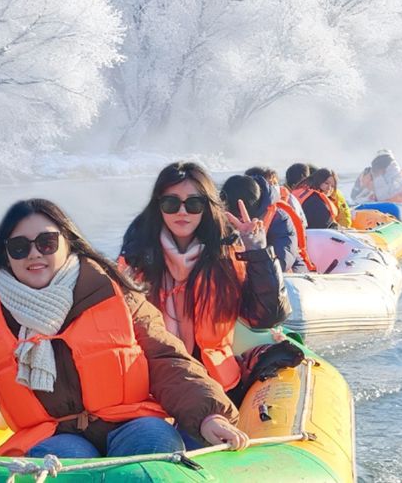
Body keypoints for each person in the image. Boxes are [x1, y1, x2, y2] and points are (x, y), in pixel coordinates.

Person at [0, 199, 250, 460]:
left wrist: (208, 415)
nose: (34, 254)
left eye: (46, 242)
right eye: (19, 247)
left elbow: (168, 361)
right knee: (63, 461)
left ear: (68, 243)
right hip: (53, 436)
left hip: (130, 421)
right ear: (6, 256)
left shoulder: (117, 294)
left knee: (154, 442)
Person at [119, 162, 290, 403]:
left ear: (207, 207)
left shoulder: (227, 257)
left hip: (217, 383)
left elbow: (267, 316)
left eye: (193, 204)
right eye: (171, 203)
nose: (182, 212)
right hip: (154, 384)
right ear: (158, 206)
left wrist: (258, 252)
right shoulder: (135, 261)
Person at [235, 171, 314, 272]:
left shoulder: (280, 218)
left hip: (289, 271)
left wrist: (255, 247)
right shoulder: (226, 219)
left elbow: (282, 262)